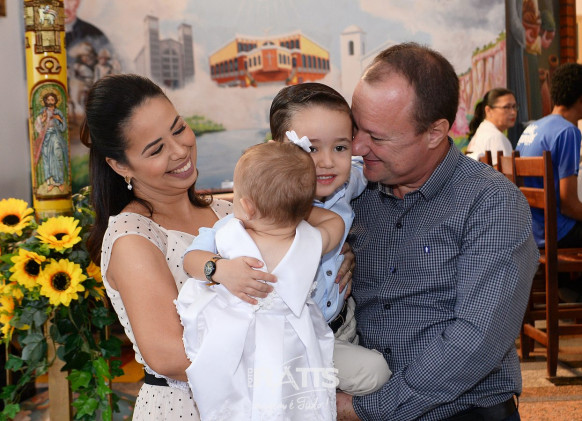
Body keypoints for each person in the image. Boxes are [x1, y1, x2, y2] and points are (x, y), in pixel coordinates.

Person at [337, 42, 539, 420]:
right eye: (354, 128)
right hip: (363, 386)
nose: (358, 147)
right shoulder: (352, 193)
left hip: (461, 408)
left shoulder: (491, 203)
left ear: (435, 133)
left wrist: (365, 410)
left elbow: (476, 342)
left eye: (377, 137)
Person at [81, 74, 274, 420]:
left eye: (179, 129)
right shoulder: (133, 237)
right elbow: (170, 356)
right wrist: (281, 358)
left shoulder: (227, 212)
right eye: (156, 149)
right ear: (120, 165)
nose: (180, 150)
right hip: (186, 406)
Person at [177, 141, 343, 420]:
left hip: (236, 340)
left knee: (237, 403)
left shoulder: (227, 233)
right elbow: (335, 222)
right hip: (294, 341)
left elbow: (190, 260)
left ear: (246, 207)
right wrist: (295, 206)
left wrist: (219, 270)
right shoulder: (313, 240)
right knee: (298, 403)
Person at [269, 82, 391, 395]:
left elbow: (374, 164)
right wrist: (218, 268)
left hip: (342, 324)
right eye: (310, 148)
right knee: (373, 374)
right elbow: (215, 241)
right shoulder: (264, 206)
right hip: (293, 339)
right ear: (276, 149)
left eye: (340, 147)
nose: (326, 162)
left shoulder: (348, 181)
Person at [516, 62, 582, 301]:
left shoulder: (533, 128)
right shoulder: (568, 131)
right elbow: (569, 204)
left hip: (532, 230)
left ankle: (569, 288)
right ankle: (572, 290)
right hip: (555, 233)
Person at [466, 88, 517, 166]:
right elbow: (505, 173)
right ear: (488, 110)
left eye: (514, 106)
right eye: (506, 107)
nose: (513, 112)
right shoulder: (495, 137)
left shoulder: (483, 131)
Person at [34, 92, 69, 194]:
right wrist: (43, 120)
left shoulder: (58, 113)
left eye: (52, 100)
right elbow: (37, 126)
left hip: (56, 136)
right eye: (48, 100)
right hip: (46, 138)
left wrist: (60, 119)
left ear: (55, 101)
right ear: (45, 101)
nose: (50, 102)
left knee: (58, 157)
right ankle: (50, 183)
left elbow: (63, 128)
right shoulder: (43, 112)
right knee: (47, 159)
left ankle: (60, 182)